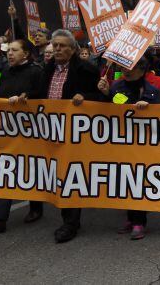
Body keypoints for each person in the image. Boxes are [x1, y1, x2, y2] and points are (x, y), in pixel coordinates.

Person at [38, 29, 103, 243]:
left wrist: (85, 96)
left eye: (62, 46)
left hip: (75, 133)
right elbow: (39, 94)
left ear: (73, 49)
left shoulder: (87, 69)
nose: (57, 49)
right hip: (50, 130)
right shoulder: (47, 69)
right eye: (55, 45)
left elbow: (103, 99)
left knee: (69, 175)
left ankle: (70, 222)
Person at [0, 39, 44, 233]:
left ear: (26, 54)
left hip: (30, 130)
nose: (10, 54)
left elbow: (42, 95)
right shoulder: (3, 71)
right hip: (6, 130)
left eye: (14, 50)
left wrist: (25, 97)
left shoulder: (36, 71)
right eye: (9, 51)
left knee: (30, 170)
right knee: (5, 170)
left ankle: (36, 207)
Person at [98, 57, 160, 240]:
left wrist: (149, 109)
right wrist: (104, 93)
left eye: (130, 68)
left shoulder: (151, 91)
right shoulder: (116, 87)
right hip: (120, 143)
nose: (125, 70)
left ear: (142, 70)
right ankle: (130, 217)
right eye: (123, 67)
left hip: (142, 145)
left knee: (138, 180)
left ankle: (139, 221)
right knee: (124, 180)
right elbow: (106, 111)